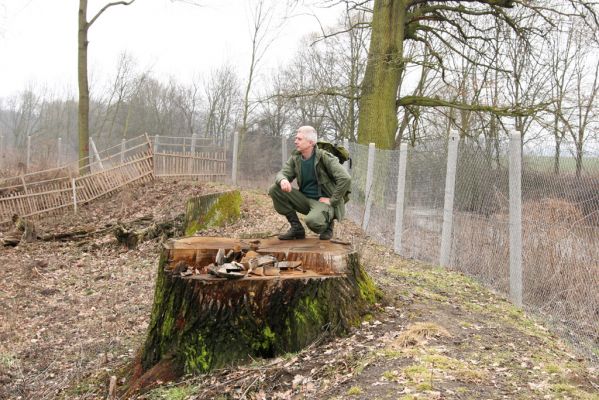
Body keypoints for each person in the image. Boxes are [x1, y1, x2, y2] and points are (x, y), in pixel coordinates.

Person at [268, 126, 351, 240]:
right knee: (275, 189)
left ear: (311, 142)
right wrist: (283, 180)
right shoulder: (296, 158)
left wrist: (332, 200)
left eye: (299, 139)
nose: (295, 141)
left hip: (322, 202)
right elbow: (282, 173)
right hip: (304, 199)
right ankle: (297, 228)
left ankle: (328, 224)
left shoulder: (324, 157)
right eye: (296, 138)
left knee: (313, 222)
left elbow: (345, 178)